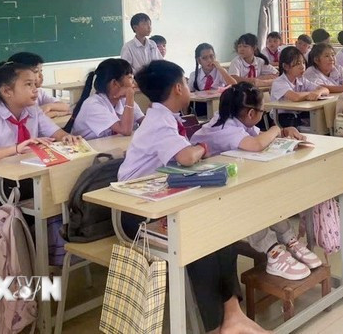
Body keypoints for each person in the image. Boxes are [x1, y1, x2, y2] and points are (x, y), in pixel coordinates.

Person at [117, 60, 267, 333]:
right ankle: (215, 326)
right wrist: (199, 147)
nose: (188, 87)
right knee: (199, 237)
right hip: (135, 212)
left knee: (222, 227)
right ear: (178, 88)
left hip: (161, 199)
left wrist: (197, 150)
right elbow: (187, 157)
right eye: (185, 82)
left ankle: (233, 315)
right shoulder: (159, 122)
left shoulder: (166, 117)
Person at [190, 82, 321, 280]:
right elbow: (256, 144)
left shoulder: (235, 120)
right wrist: (276, 128)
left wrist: (285, 132)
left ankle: (289, 239)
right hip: (204, 193)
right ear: (251, 114)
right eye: (262, 111)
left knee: (264, 192)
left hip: (226, 181)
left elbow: (258, 137)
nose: (263, 114)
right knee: (250, 199)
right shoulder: (225, 128)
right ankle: (272, 250)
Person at [0, 61, 80, 266]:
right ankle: (38, 256)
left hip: (29, 179)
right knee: (57, 195)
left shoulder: (33, 112)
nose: (36, 90)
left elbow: (57, 133)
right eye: (28, 85)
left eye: (35, 84)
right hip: (0, 187)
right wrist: (16, 149)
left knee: (68, 189)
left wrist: (67, 138)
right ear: (7, 91)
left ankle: (54, 252)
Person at [66, 58, 144, 140]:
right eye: (130, 77)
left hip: (110, 148)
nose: (134, 82)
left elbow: (145, 122)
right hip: (91, 150)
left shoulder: (122, 100)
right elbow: (125, 130)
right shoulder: (93, 105)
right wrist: (130, 96)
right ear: (114, 83)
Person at [270, 46, 328, 128]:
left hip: (298, 113)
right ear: (286, 66)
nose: (302, 67)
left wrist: (317, 92)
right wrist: (311, 94)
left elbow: (325, 89)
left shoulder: (301, 79)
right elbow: (295, 97)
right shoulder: (279, 82)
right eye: (298, 64)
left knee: (321, 116)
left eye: (303, 63)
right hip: (281, 117)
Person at [7, 52, 71, 118]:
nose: (41, 75)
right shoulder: (18, 94)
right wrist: (56, 113)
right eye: (36, 71)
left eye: (41, 71)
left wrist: (48, 106)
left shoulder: (39, 92)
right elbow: (31, 117)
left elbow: (66, 107)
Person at [189, 43, 237, 117]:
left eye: (211, 56)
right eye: (204, 58)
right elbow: (189, 94)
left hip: (219, 106)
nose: (209, 60)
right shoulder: (194, 75)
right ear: (199, 60)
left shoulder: (220, 72)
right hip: (200, 108)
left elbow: (234, 84)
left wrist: (220, 68)